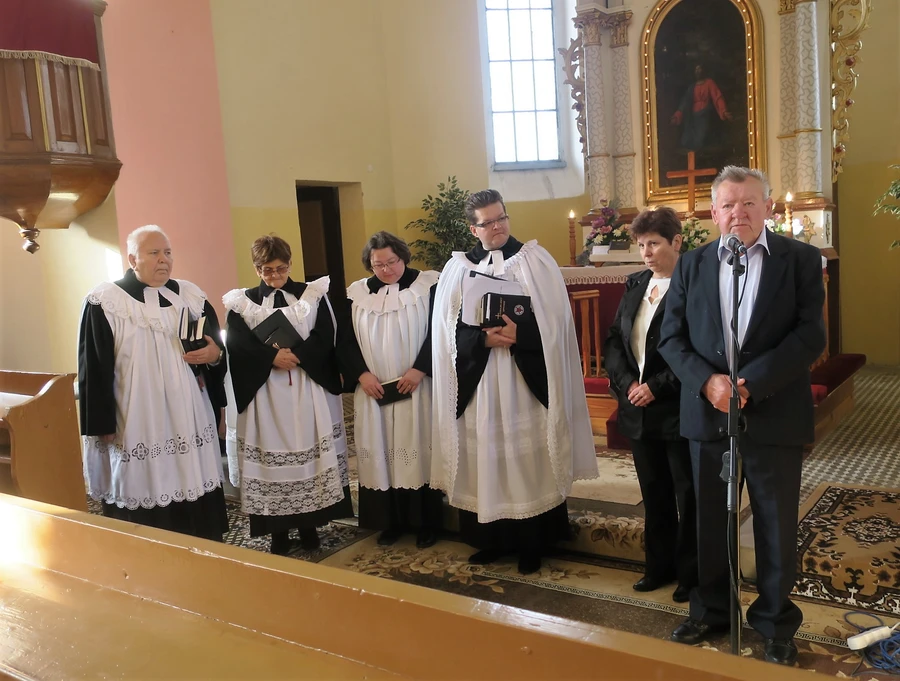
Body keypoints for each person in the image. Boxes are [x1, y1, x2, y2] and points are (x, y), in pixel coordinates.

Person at [659, 167, 826, 665]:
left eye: (750, 203)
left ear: (769, 208)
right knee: (709, 521)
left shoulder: (799, 260)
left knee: (775, 523)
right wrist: (707, 382)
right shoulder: (690, 265)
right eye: (728, 205)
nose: (739, 213)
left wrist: (752, 383)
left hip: (773, 413)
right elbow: (671, 337)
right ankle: (711, 609)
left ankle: (775, 622)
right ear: (713, 213)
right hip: (707, 414)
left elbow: (810, 335)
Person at [430, 189, 598, 575]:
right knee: (487, 454)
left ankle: (531, 543)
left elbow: (558, 324)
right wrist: (481, 340)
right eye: (488, 222)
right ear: (473, 229)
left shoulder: (535, 260)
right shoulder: (456, 268)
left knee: (527, 455)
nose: (498, 226)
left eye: (502, 217)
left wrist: (522, 337)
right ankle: (491, 540)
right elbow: (444, 332)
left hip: (524, 378)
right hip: (481, 380)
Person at [78, 225, 228, 540]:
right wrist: (102, 422)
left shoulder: (190, 295)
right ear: (133, 258)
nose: (164, 260)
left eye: (168, 252)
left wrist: (214, 354)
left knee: (193, 477)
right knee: (144, 482)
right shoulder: (106, 301)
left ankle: (203, 543)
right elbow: (94, 367)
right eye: (154, 253)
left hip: (188, 411)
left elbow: (215, 348)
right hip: (137, 414)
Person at [223, 235, 352, 555]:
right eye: (267, 270)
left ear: (290, 264)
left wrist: (299, 356)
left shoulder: (311, 294)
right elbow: (236, 345)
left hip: (306, 389)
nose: (275, 276)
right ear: (256, 268)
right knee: (271, 458)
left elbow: (325, 334)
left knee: (309, 454)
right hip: (266, 395)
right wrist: (270, 358)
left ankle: (311, 527)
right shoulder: (243, 303)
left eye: (281, 269)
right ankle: (277, 531)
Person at [604, 207, 697, 603]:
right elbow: (614, 341)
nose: (646, 252)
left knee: (686, 495)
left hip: (676, 408)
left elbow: (696, 348)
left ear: (676, 242)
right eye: (641, 245)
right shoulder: (636, 283)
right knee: (653, 493)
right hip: (637, 407)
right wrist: (629, 385)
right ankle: (658, 567)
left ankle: (691, 575)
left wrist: (656, 387)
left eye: (654, 244)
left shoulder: (692, 285)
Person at [339, 231, 443, 549]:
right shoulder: (356, 294)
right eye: (378, 264)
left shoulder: (429, 286)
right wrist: (361, 375)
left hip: (417, 387)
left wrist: (419, 369)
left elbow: (441, 331)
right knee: (382, 454)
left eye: (392, 262)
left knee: (417, 451)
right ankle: (390, 523)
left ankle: (426, 523)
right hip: (374, 390)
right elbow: (343, 340)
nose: (386, 270)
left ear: (403, 256)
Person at [670, 64, 732, 151]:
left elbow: (717, 97)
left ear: (703, 70)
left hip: (705, 115)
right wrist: (677, 116)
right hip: (693, 118)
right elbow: (684, 104)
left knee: (702, 140)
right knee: (687, 141)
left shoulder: (709, 83)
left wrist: (723, 111)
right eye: (696, 70)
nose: (698, 71)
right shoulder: (692, 87)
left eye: (699, 69)